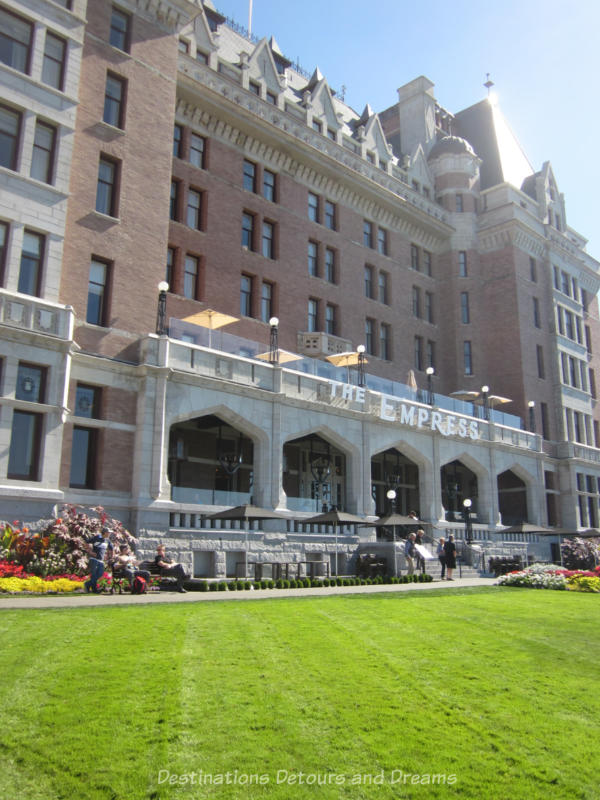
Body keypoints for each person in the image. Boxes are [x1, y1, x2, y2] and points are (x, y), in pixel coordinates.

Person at [84, 527, 113, 594]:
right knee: (94, 575)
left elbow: (111, 549)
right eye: (108, 532)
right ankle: (94, 589)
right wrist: (90, 552)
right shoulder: (97, 537)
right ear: (105, 532)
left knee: (100, 574)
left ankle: (88, 585)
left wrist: (110, 557)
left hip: (101, 560)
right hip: (94, 559)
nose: (109, 534)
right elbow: (86, 542)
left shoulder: (107, 540)